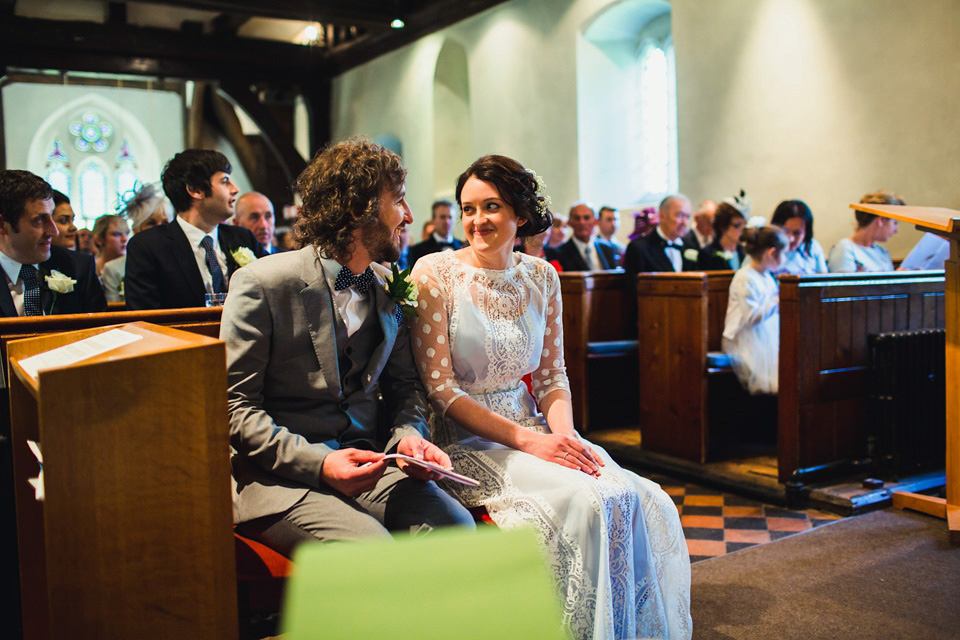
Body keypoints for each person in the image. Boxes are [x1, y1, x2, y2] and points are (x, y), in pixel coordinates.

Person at [410, 155, 691, 640]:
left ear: (520, 213)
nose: (477, 221)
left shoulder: (542, 276)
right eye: (468, 209)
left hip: (538, 429)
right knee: (584, 503)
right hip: (465, 440)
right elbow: (441, 391)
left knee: (641, 497)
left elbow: (551, 377)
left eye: (491, 206)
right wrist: (531, 443)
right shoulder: (434, 273)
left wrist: (564, 436)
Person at [221, 137, 473, 555]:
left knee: (454, 527)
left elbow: (405, 388)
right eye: (400, 201)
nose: (409, 216)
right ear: (359, 208)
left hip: (368, 464)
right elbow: (235, 410)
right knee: (369, 550)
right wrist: (320, 464)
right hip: (281, 479)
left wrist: (409, 436)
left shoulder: (387, 288)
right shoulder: (263, 284)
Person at [124, 149, 263, 310]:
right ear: (196, 190)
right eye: (225, 181)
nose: (235, 189)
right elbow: (144, 316)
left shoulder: (243, 238)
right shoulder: (148, 247)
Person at [0, 170, 106, 316]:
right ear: (2, 225)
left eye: (51, 217)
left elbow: (102, 331)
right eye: (39, 219)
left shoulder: (78, 267)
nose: (54, 231)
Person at [722, 226, 787, 395]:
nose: (785, 258)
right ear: (771, 253)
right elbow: (751, 317)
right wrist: (778, 299)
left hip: (765, 334)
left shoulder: (766, 276)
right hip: (745, 337)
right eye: (784, 253)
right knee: (766, 379)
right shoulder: (745, 277)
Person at [101, 183, 174, 303]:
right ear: (136, 228)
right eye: (151, 223)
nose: (159, 228)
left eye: (165, 223)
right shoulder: (113, 268)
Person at [623, 194, 697, 278]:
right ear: (662, 216)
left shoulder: (691, 246)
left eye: (687, 217)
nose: (685, 222)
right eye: (679, 215)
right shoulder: (639, 248)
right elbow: (633, 287)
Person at [827, 190, 901, 273]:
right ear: (881, 220)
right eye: (895, 223)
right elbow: (845, 285)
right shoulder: (845, 248)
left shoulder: (882, 252)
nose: (896, 230)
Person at [769, 199, 828, 275]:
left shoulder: (813, 247)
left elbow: (823, 281)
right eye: (785, 232)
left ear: (806, 232)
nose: (791, 238)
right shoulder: (766, 249)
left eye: (797, 233)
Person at [556, 202, 620, 270]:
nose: (582, 222)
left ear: (596, 221)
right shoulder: (560, 253)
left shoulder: (607, 248)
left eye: (586, 218)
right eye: (577, 218)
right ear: (570, 222)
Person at [406, 199, 464, 268]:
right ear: (433, 220)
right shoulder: (417, 251)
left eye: (450, 217)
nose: (447, 221)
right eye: (442, 217)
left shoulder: (463, 247)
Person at [697, 201, 746, 270]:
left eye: (744, 224)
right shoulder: (707, 254)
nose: (742, 229)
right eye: (737, 225)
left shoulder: (745, 252)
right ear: (723, 226)